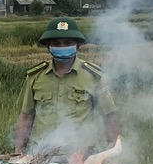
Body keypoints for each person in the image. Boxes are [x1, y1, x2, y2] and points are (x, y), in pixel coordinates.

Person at [15, 16, 120, 155]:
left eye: (67, 42)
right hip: (40, 152)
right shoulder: (35, 76)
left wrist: (114, 153)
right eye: (56, 43)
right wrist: (18, 152)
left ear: (78, 45)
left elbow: (110, 116)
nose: (62, 47)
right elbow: (26, 116)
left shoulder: (93, 76)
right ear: (48, 46)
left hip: (80, 153)